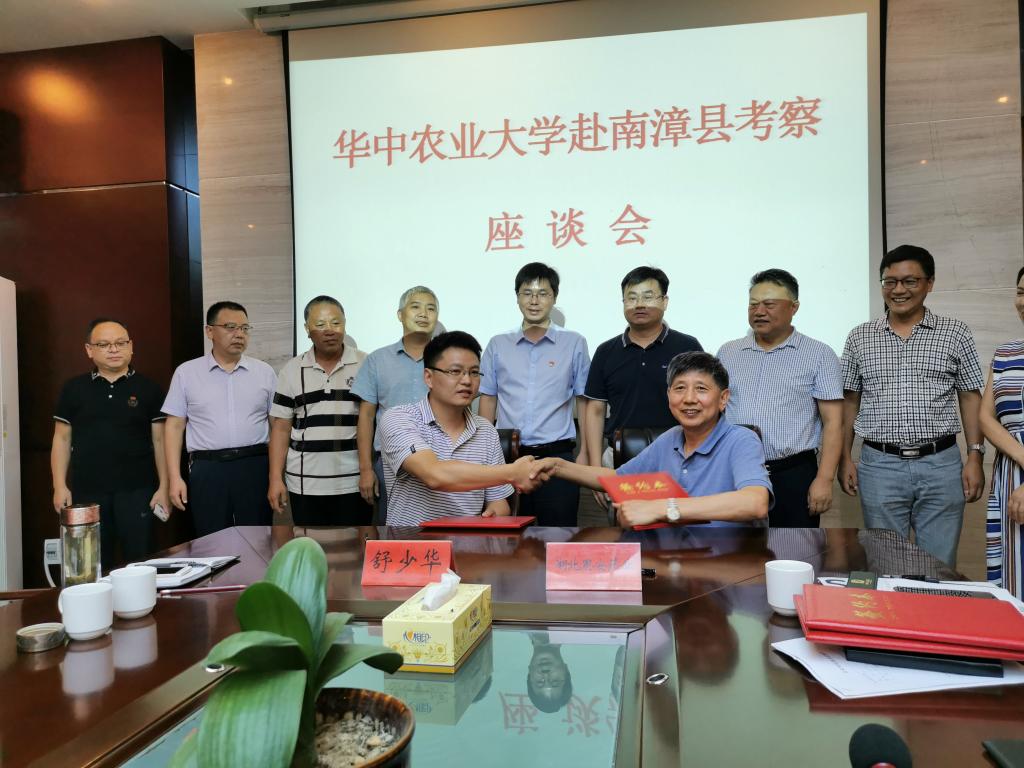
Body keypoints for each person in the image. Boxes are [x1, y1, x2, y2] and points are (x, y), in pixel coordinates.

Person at [839, 245, 985, 567]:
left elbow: (970, 396)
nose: (898, 290)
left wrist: (975, 455)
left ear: (929, 283)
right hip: (879, 465)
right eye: (889, 282)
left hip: (941, 464)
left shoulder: (955, 333)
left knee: (939, 565)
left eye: (909, 281)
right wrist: (845, 457)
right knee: (886, 564)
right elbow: (850, 401)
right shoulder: (859, 337)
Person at [533, 351, 772, 528]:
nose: (689, 398)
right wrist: (558, 466)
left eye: (701, 389)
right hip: (669, 558)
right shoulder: (670, 439)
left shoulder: (742, 440)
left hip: (727, 562)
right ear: (669, 396)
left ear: (723, 398)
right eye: (679, 388)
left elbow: (755, 502)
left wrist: (664, 508)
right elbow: (618, 479)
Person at [717, 268, 843, 528]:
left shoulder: (819, 354)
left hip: (793, 474)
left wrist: (824, 479)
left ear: (794, 307)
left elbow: (833, 423)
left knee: (795, 547)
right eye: (753, 304)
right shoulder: (728, 352)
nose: (759, 311)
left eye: (769, 304)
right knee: (734, 548)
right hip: (735, 470)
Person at [378, 331, 543, 525]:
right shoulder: (399, 418)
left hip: (468, 541)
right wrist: (513, 472)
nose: (467, 381)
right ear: (429, 377)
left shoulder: (486, 431)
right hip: (412, 541)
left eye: (474, 372)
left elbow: (499, 502)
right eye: (455, 371)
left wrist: (493, 513)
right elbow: (434, 475)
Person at [479, 262, 590, 526]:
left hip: (558, 458)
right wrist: (483, 456)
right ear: (517, 297)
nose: (534, 300)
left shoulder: (574, 342)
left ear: (554, 297)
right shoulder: (498, 344)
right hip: (507, 458)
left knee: (560, 535)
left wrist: (585, 451)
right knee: (508, 537)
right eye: (527, 293)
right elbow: (488, 400)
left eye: (543, 293)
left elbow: (584, 401)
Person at [51, 318, 169, 565]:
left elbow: (160, 441)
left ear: (131, 346)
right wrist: (59, 485)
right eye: (104, 344)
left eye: (120, 343)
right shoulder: (74, 389)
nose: (114, 349)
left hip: (138, 490)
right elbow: (61, 439)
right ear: (89, 350)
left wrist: (164, 486)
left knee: (140, 561)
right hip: (88, 491)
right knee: (90, 562)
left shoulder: (149, 388)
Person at [162, 301, 277, 537]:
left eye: (245, 328)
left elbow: (277, 426)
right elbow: (174, 427)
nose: (239, 334)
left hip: (255, 466)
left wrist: (277, 476)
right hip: (208, 468)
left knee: (258, 537)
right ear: (209, 331)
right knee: (211, 538)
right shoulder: (187, 373)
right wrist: (175, 478)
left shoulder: (264, 372)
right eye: (231, 327)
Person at [583, 266, 702, 474]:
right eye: (631, 298)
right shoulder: (606, 351)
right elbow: (595, 410)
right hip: (619, 457)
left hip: (679, 455)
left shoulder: (687, 346)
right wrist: (594, 467)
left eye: (648, 297)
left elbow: (703, 403)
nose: (639, 304)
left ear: (664, 301)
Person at [268, 296, 371, 526]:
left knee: (355, 546)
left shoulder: (365, 364)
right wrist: (275, 479)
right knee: (310, 543)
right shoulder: (292, 370)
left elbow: (371, 420)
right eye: (320, 324)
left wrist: (367, 471)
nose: (330, 330)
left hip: (354, 481)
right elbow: (281, 429)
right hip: (304, 483)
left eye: (336, 323)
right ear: (307, 329)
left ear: (345, 324)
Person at [351, 286, 439, 520]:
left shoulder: (447, 359)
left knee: (440, 529)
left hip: (440, 458)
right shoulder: (377, 360)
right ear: (400, 315)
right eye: (416, 307)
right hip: (390, 463)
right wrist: (366, 469)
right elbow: (366, 417)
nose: (424, 314)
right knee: (392, 529)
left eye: (431, 309)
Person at [979, 266, 1024, 598]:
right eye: (1021, 293)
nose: (1023, 302)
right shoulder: (1005, 353)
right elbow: (985, 417)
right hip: (1010, 473)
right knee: (1013, 572)